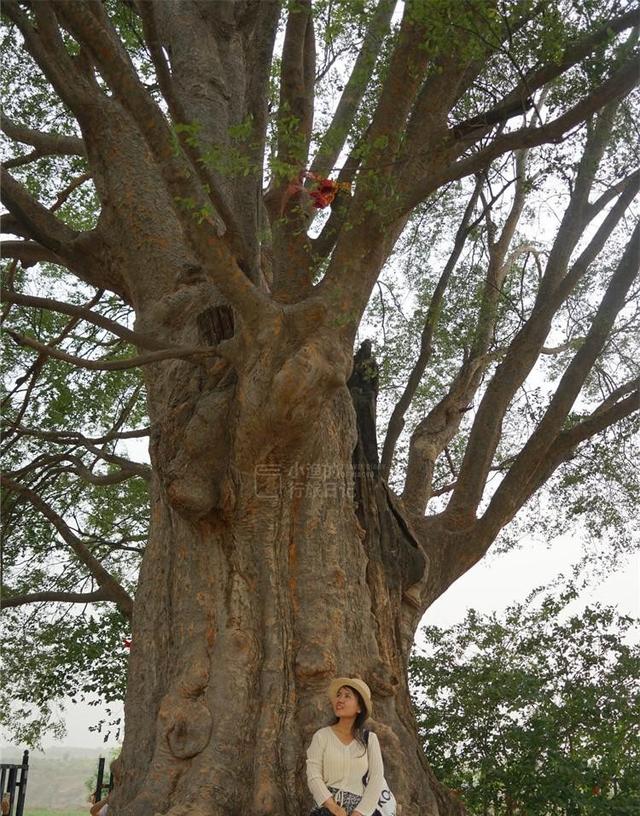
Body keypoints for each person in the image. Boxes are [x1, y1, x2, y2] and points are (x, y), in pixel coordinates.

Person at [306, 677, 386, 816]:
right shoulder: (322, 736)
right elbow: (313, 775)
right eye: (338, 695)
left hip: (362, 811)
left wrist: (359, 813)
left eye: (347, 696)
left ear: (359, 707)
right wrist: (334, 808)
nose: (340, 700)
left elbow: (376, 778)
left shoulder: (370, 740)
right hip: (327, 810)